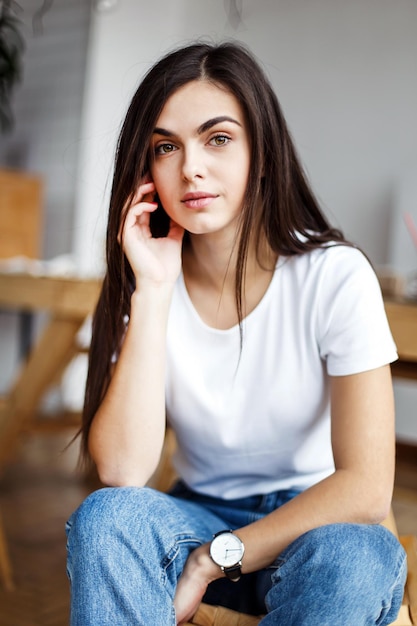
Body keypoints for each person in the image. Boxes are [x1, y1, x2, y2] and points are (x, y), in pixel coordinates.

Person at [66, 41, 407, 625]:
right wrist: (152, 289)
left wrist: (213, 560)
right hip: (195, 513)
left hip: (310, 527)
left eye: (217, 138)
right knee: (106, 518)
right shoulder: (150, 281)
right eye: (165, 147)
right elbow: (123, 471)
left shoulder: (333, 275)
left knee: (360, 555)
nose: (190, 167)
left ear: (262, 152)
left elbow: (367, 487)